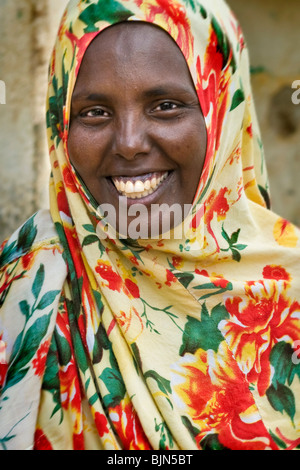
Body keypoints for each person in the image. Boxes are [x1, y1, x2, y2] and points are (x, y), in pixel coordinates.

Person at [0, 0, 300, 451]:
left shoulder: (291, 289)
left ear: (222, 114)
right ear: (60, 125)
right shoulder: (30, 285)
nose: (129, 144)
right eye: (94, 112)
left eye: (165, 106)